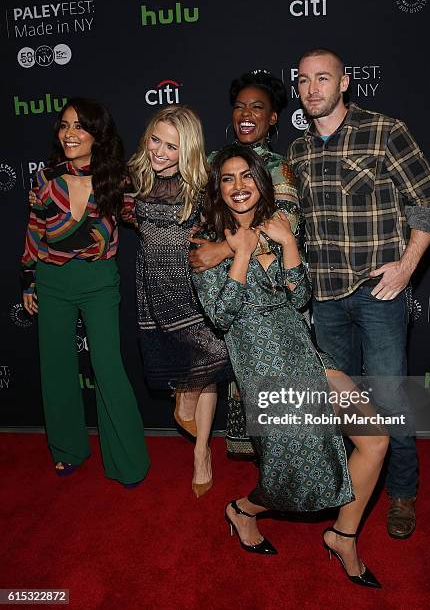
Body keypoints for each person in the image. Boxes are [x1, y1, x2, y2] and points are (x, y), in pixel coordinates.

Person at [193, 144, 389, 588]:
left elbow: (300, 299)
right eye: (228, 178)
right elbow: (222, 316)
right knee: (295, 479)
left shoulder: (278, 226)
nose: (239, 186)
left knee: (375, 439)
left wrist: (289, 244)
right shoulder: (204, 241)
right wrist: (239, 254)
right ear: (218, 188)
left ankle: (343, 535)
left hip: (306, 353)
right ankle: (242, 510)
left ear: (261, 182)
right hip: (263, 366)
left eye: (246, 176)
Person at [288, 48, 430, 539]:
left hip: (379, 296)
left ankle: (402, 492)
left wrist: (405, 268)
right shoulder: (298, 152)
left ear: (345, 83)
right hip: (326, 299)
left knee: (388, 397)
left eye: (323, 78)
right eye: (304, 80)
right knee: (342, 406)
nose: (313, 88)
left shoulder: (384, 131)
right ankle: (344, 487)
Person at [21, 97, 150, 486]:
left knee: (108, 368)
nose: (70, 134)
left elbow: (141, 216)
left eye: (79, 126)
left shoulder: (118, 179)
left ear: (98, 134)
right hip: (52, 280)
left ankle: (127, 461)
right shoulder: (46, 179)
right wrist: (27, 278)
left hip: (98, 282)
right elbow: (34, 230)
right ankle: (67, 448)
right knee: (57, 367)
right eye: (64, 125)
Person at [189, 70, 301, 454]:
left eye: (257, 107)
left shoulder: (279, 166)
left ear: (273, 118)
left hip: (270, 293)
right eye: (239, 107)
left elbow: (286, 226)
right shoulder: (210, 162)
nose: (246, 114)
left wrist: (224, 249)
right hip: (223, 289)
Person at [124, 105, 232, 497]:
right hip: (153, 288)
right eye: (156, 139)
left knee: (214, 356)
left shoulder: (202, 187)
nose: (160, 151)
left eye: (172, 146)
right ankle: (195, 433)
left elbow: (230, 227)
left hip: (192, 286)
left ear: (187, 150)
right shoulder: (133, 178)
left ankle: (201, 452)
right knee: (197, 367)